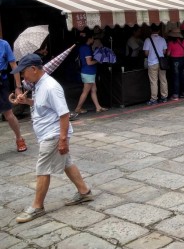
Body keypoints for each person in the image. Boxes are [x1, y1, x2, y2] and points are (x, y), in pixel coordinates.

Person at [12, 54, 93, 223]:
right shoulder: (39, 85)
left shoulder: (50, 86)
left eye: (23, 72)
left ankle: (37, 206)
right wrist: (26, 101)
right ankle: (84, 192)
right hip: (49, 133)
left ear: (33, 69)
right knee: (66, 163)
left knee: (42, 169)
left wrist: (63, 139)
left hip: (53, 134)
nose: (22, 77)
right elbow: (42, 105)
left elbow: (64, 113)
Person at [0, 38, 27, 152]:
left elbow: (13, 65)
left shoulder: (4, 44)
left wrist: (18, 87)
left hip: (1, 82)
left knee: (8, 113)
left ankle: (19, 138)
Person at [73, 33, 107, 115]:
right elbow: (89, 62)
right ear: (89, 39)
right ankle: (78, 108)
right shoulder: (87, 49)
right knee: (85, 92)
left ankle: (98, 107)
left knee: (93, 90)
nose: (93, 39)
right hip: (89, 72)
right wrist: (97, 61)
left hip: (87, 72)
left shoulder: (82, 47)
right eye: (92, 38)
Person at [143, 24, 168, 105]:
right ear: (159, 30)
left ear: (151, 30)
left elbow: (146, 53)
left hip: (152, 63)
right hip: (161, 63)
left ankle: (154, 99)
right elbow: (164, 52)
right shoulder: (162, 39)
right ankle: (164, 97)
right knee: (163, 80)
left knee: (153, 82)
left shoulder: (147, 40)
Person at [166, 28, 184, 100]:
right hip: (183, 60)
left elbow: (168, 53)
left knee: (176, 77)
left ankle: (176, 95)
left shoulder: (170, 42)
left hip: (175, 60)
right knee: (183, 77)